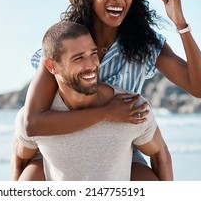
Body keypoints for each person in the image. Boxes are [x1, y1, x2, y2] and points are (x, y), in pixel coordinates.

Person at [22, 0, 201, 180]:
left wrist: (181, 25)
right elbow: (33, 122)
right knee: (29, 180)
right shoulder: (67, 42)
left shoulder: (146, 44)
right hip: (62, 145)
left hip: (120, 151)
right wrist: (105, 113)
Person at [12, 21, 173, 181]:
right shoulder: (36, 118)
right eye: (78, 58)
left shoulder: (131, 108)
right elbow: (20, 160)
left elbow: (160, 153)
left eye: (93, 54)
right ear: (52, 66)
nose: (91, 65)